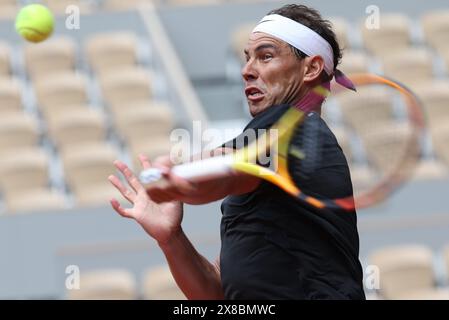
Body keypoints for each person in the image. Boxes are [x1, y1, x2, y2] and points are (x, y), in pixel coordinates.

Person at [108, 4, 365, 299]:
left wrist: (182, 181)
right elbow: (216, 293)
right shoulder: (271, 161)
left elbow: (226, 171)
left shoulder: (294, 127)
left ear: (311, 68)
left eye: (265, 57)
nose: (247, 71)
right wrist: (171, 238)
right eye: (246, 59)